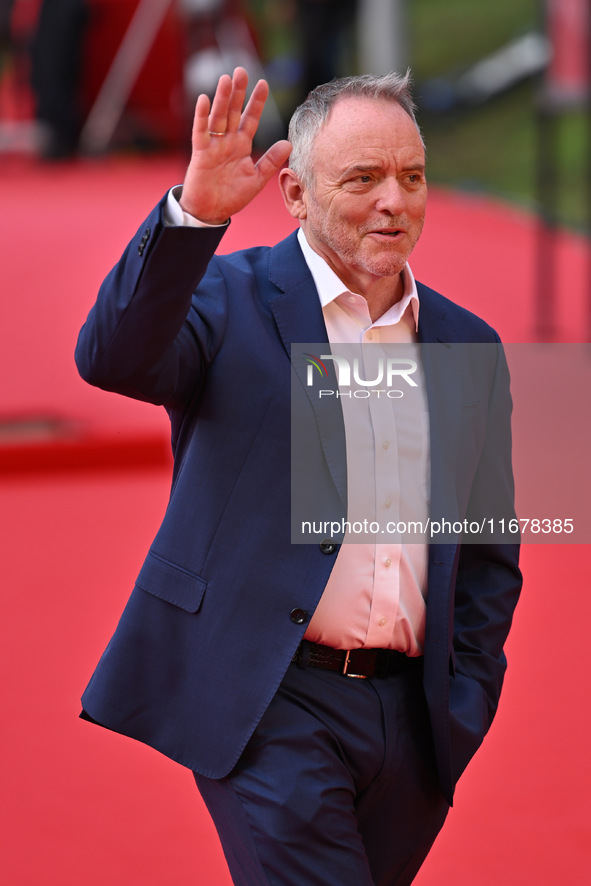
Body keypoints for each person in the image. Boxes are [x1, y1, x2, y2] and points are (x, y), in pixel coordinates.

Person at [76, 68, 522, 886]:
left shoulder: (467, 343)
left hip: (414, 722)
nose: (394, 201)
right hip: (271, 700)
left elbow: (489, 549)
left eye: (411, 178)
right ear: (293, 192)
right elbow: (112, 358)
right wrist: (196, 217)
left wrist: (465, 699)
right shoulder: (226, 300)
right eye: (362, 178)